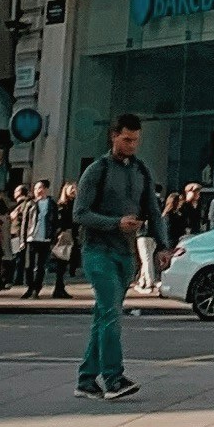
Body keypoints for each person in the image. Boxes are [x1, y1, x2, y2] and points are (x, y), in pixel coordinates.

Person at [72, 116, 164, 400]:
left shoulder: (141, 170)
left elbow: (153, 209)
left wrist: (163, 246)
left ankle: (87, 379)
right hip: (98, 250)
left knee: (104, 314)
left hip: (125, 252)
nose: (132, 145)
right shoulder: (96, 170)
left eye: (136, 140)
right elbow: (80, 213)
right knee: (111, 313)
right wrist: (115, 223)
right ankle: (113, 377)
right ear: (113, 137)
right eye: (126, 139)